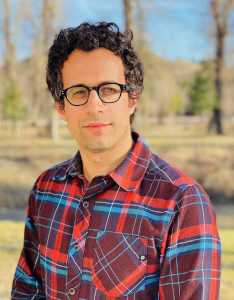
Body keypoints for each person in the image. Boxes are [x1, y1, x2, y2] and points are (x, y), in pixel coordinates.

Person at [11, 22, 221, 300]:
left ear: (132, 99)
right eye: (78, 92)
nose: (94, 105)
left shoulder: (181, 202)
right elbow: (27, 291)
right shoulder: (46, 189)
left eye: (109, 89)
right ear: (60, 107)